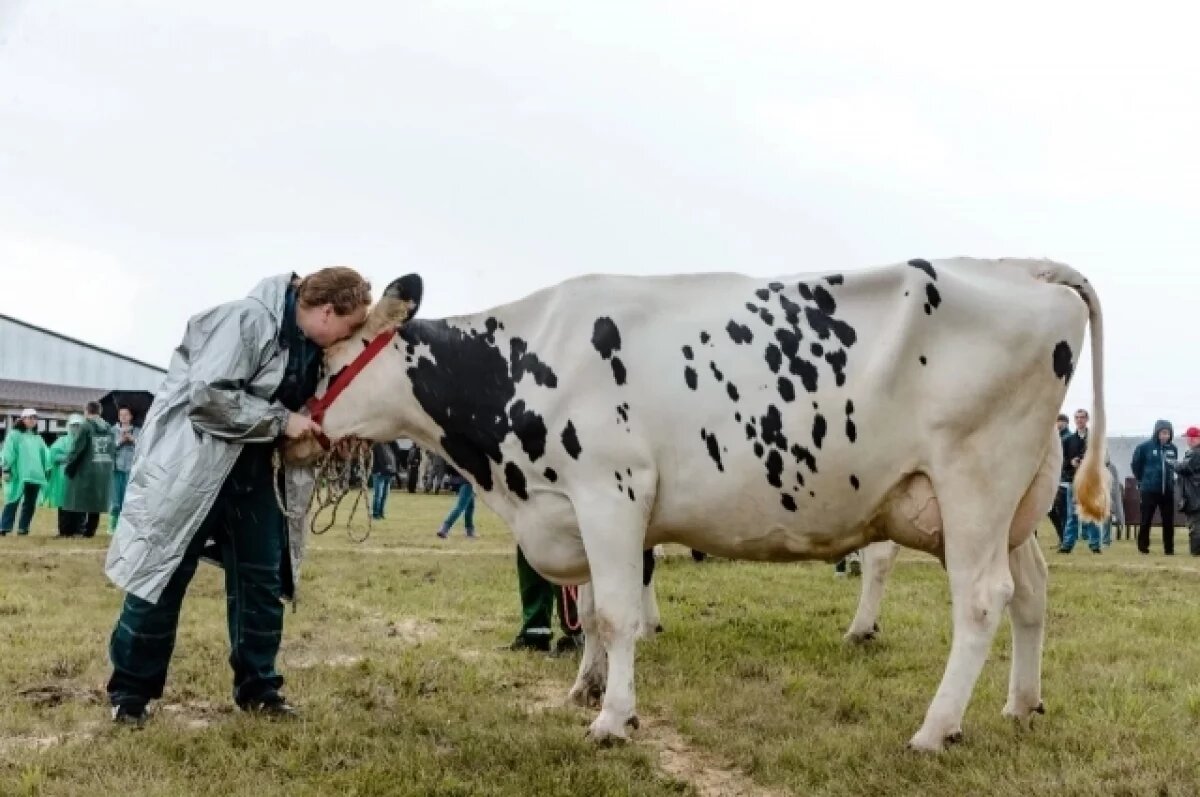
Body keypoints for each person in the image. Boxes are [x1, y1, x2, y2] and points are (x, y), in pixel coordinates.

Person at [103, 267, 371, 728]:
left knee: (262, 582)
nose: (346, 337)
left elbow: (305, 408)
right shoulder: (244, 320)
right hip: (195, 469)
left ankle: (260, 688)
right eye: (348, 326)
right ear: (327, 311)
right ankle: (129, 694)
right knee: (162, 576)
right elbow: (207, 399)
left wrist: (329, 433)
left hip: (258, 475)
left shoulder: (313, 348)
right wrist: (281, 421)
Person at [62, 402, 115, 538]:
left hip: (86, 469)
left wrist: (69, 463)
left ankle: (73, 530)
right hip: (103, 469)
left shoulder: (85, 427)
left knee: (78, 500)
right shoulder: (109, 428)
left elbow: (77, 448)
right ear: (100, 411)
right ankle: (90, 531)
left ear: (86, 411)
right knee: (95, 503)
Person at [1058, 408, 1102, 554]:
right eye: (1077, 418)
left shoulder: (1094, 438)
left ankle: (1095, 545)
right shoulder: (1068, 440)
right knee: (1072, 515)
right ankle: (1067, 545)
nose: (1079, 420)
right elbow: (1061, 461)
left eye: (1082, 417)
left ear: (1087, 419)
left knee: (1091, 512)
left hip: (1090, 481)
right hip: (1073, 481)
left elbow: (1103, 460)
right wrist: (1071, 463)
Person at [1131, 420, 1179, 555]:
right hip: (1149, 490)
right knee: (1146, 519)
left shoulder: (1172, 448)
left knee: (1168, 521)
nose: (1165, 436)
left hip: (1167, 490)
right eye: (1163, 433)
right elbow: (1136, 465)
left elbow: (1174, 465)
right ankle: (1143, 547)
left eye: (1168, 433)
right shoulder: (1144, 447)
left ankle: (1169, 549)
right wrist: (1143, 480)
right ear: (1157, 432)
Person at [0, 408, 50, 536]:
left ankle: (23, 528)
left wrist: (48, 469)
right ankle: (4, 527)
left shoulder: (37, 437)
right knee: (13, 500)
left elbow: (45, 454)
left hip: (35, 475)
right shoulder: (14, 435)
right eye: (29, 417)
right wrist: (6, 469)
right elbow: (8, 452)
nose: (32, 420)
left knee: (30, 503)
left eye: (34, 418)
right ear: (22, 419)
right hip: (19, 474)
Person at [43, 413, 83, 536]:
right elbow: (53, 455)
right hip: (64, 478)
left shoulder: (86, 441)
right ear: (68, 426)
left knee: (79, 504)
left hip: (80, 477)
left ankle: (78, 530)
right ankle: (64, 531)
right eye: (73, 425)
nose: (75, 428)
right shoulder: (62, 441)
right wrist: (67, 458)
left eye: (78, 425)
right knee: (64, 504)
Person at [110, 406, 141, 532]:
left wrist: (133, 440)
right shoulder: (112, 430)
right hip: (116, 468)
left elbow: (143, 446)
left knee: (129, 498)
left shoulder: (138, 430)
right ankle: (113, 525)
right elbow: (108, 448)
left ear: (131, 416)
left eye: (126, 414)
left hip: (131, 468)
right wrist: (120, 441)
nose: (123, 417)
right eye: (121, 414)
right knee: (116, 498)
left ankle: (127, 526)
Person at [1173, 426, 1200, 556]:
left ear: (1193, 439)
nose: (1187, 441)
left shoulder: (1195, 453)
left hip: (1195, 495)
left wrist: (1173, 463)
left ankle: (1196, 551)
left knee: (1195, 525)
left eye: (1188, 438)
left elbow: (1184, 467)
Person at [436, 467, 476, 539]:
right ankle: (444, 529)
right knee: (460, 506)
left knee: (470, 507)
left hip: (458, 480)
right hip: (467, 480)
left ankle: (470, 531)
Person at [369, 441, 396, 520]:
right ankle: (376, 514)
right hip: (379, 472)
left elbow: (392, 458)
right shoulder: (377, 445)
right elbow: (381, 459)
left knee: (384, 495)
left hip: (387, 473)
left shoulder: (388, 445)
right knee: (379, 495)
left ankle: (381, 512)